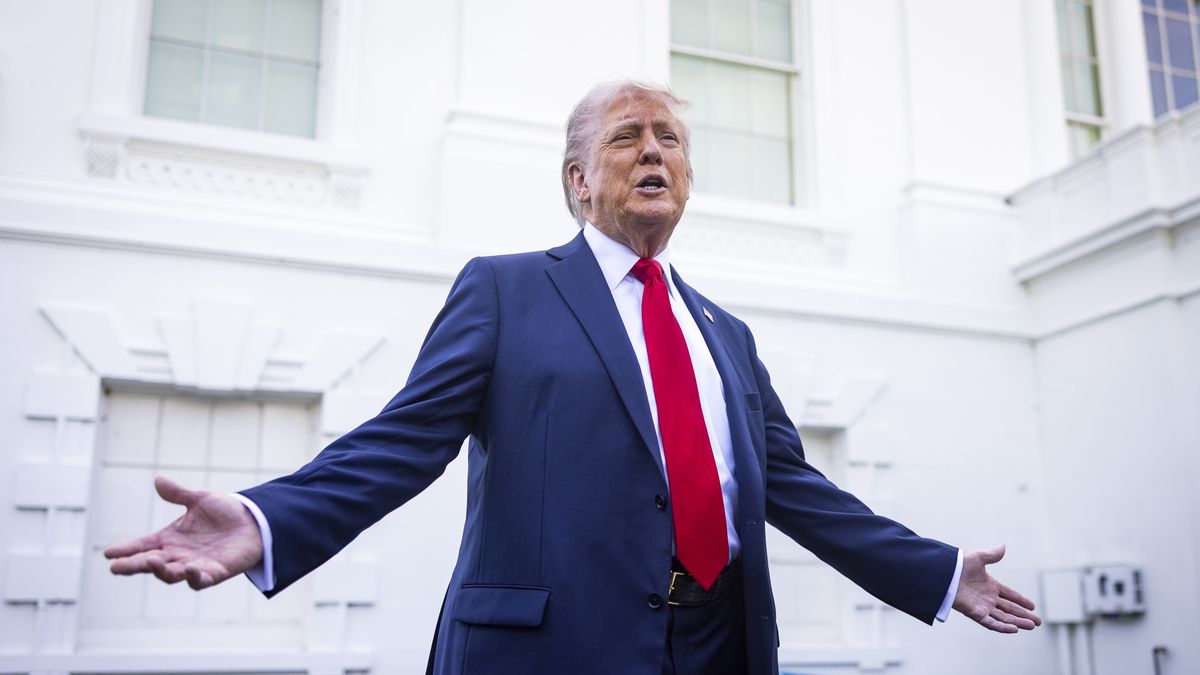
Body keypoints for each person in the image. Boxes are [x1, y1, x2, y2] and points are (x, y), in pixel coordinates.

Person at [105, 80, 1041, 674]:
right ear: (577, 181)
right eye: (629, 136)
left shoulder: (725, 332)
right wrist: (269, 516)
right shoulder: (507, 291)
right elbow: (404, 441)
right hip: (550, 651)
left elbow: (794, 488)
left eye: (670, 139)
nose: (654, 153)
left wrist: (933, 569)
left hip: (719, 646)